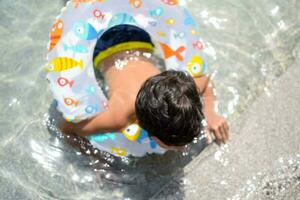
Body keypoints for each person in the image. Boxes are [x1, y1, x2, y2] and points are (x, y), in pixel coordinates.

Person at [59, 24, 229, 151]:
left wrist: (211, 112)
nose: (183, 149)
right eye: (174, 146)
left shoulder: (181, 89)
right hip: (101, 43)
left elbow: (205, 80)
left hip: (137, 33)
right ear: (151, 134)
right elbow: (65, 128)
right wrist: (98, 162)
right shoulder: (118, 116)